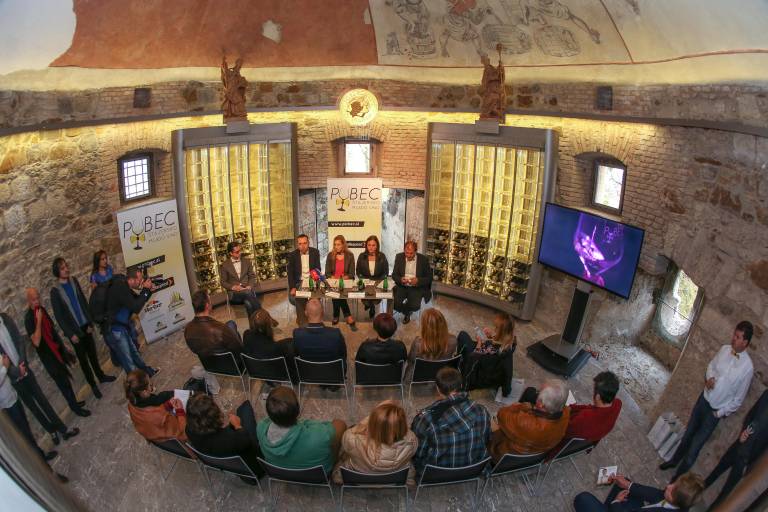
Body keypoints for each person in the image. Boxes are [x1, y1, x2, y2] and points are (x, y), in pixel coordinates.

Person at [660, 321, 754, 479]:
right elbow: (711, 365)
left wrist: (719, 413)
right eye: (734, 334)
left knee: (695, 446)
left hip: (714, 412)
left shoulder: (748, 368)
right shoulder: (724, 349)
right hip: (703, 400)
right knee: (688, 434)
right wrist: (709, 378)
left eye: (738, 337)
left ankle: (676, 480)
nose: (733, 338)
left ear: (745, 342)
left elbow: (738, 400)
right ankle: (673, 461)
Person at [0, 311, 80, 446]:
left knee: (42, 400)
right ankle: (52, 431)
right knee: (34, 408)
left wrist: (23, 364)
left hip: (25, 369)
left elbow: (19, 341)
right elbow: (3, 361)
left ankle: (63, 430)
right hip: (13, 378)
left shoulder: (6, 319)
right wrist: (17, 372)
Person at [50, 257, 116, 398]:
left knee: (93, 354)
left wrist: (90, 322)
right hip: (74, 332)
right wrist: (70, 334)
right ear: (57, 271)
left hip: (85, 325)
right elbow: (59, 317)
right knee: (84, 361)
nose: (66, 269)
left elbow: (83, 302)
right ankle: (93, 385)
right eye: (62, 268)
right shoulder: (55, 291)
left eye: (66, 266)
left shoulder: (74, 281)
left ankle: (101, 376)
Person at [1, 350, 68, 482]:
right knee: (26, 438)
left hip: (12, 398)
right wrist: (5, 368)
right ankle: (49, 475)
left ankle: (42, 458)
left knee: (28, 435)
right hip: (6, 405)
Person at [410, 367, 491, 475]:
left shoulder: (426, 418)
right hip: (474, 468)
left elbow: (418, 453)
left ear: (438, 389)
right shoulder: (482, 411)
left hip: (435, 473)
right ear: (461, 385)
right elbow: (486, 440)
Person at [24, 288, 91, 415]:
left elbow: (52, 331)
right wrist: (38, 321)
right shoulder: (28, 319)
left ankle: (74, 403)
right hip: (49, 358)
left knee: (66, 380)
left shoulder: (42, 310)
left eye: (38, 298)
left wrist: (64, 346)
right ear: (28, 301)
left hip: (57, 351)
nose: (37, 301)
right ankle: (76, 409)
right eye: (34, 299)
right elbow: (36, 342)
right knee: (63, 384)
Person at [256, 386, 347, 474]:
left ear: (269, 413)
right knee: (337, 427)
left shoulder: (260, 428)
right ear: (298, 410)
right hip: (319, 475)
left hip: (280, 473)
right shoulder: (319, 435)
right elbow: (341, 425)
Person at [703, 389, 768, 508]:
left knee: (726, 493)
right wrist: (743, 432)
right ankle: (689, 498)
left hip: (748, 459)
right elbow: (751, 415)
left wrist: (751, 465)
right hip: (738, 445)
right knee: (714, 474)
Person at [332, 400, 417, 484]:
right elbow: (407, 432)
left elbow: (351, 431)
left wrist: (372, 416)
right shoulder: (412, 441)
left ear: (371, 424)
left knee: (344, 455)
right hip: (396, 479)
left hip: (357, 478)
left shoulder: (352, 440)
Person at [186, 394, 263, 481]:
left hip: (227, 463)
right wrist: (237, 425)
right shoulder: (232, 438)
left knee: (242, 411)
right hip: (253, 472)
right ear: (215, 415)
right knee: (246, 407)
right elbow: (245, 440)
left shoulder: (189, 430)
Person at [490, 379, 570, 458]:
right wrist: (531, 407)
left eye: (538, 392)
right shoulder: (566, 413)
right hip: (535, 453)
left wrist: (520, 406)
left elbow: (502, 413)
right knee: (530, 391)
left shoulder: (523, 422)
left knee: (491, 419)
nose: (536, 394)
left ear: (541, 405)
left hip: (505, 453)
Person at [106, 267, 159, 377]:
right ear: (132, 279)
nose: (141, 282)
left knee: (134, 353)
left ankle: (147, 373)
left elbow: (137, 301)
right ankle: (137, 385)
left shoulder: (125, 286)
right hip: (116, 330)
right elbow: (136, 308)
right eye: (140, 279)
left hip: (122, 327)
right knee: (128, 361)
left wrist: (149, 291)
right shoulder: (120, 287)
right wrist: (145, 290)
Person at [573, 472, 704, 512]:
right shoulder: (681, 502)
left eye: (672, 490)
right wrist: (628, 485)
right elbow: (656, 494)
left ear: (676, 500)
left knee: (583, 498)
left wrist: (616, 503)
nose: (668, 486)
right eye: (674, 483)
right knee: (625, 485)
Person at [456, 311, 517, 396]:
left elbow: (474, 358)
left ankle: (457, 362)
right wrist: (492, 336)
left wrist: (479, 343)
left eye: (496, 328)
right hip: (488, 367)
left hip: (479, 375)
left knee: (463, 335)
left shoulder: (492, 351)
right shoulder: (509, 345)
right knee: (464, 337)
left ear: (501, 332)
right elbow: (508, 372)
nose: (494, 329)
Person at [125, 369, 186, 442]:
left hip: (152, 435)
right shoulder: (161, 416)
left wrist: (167, 405)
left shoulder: (131, 404)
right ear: (144, 392)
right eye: (150, 384)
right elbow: (181, 431)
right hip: (169, 438)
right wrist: (180, 410)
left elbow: (149, 412)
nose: (152, 385)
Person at [563, 371, 622, 445]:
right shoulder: (618, 404)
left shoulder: (585, 417)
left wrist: (563, 410)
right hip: (588, 440)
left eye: (594, 390)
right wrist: (571, 407)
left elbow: (563, 430)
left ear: (598, 397)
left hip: (564, 442)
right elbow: (590, 408)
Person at [293, 299, 347, 374]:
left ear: (306, 313)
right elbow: (343, 354)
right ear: (323, 312)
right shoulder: (335, 334)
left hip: (308, 374)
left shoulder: (297, 333)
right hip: (332, 374)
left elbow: (296, 354)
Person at [184, 290, 243, 360]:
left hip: (208, 363)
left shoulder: (188, 329)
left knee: (231, 323)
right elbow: (238, 349)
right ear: (207, 305)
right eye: (210, 300)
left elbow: (194, 349)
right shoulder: (220, 329)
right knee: (234, 329)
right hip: (230, 362)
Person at [243, 309, 297, 383]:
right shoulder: (278, 347)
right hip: (275, 375)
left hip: (254, 371)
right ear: (268, 326)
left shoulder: (246, 334)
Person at [219, 241, 264, 321]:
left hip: (247, 290)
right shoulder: (225, 265)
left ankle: (253, 324)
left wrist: (250, 285)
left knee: (248, 303)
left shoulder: (247, 261)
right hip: (234, 294)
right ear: (230, 253)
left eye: (240, 251)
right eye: (237, 252)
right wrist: (233, 287)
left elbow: (252, 276)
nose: (239, 253)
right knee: (248, 293)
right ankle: (263, 316)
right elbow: (223, 282)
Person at [391, 240, 432, 324]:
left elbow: (429, 278)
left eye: (411, 253)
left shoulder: (423, 259)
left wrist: (418, 280)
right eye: (406, 253)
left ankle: (408, 310)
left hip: (416, 287)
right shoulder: (399, 257)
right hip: (402, 286)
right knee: (394, 304)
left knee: (415, 306)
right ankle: (407, 312)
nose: (408, 255)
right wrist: (400, 279)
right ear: (404, 250)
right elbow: (394, 275)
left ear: (416, 251)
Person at [287, 234, 321, 327]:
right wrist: (293, 287)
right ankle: (303, 324)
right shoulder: (292, 255)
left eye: (305, 243)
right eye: (300, 244)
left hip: (312, 280)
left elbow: (318, 268)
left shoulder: (315, 252)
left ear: (308, 243)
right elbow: (290, 273)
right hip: (299, 282)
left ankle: (315, 322)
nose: (302, 246)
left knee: (315, 299)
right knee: (299, 298)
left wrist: (315, 280)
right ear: (297, 244)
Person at [325, 234, 356, 328]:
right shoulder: (330, 255)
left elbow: (351, 274)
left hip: (345, 281)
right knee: (337, 292)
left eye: (338, 244)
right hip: (333, 281)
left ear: (343, 245)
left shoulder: (350, 256)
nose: (336, 246)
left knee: (338, 293)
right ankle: (348, 316)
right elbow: (327, 273)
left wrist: (341, 279)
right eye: (335, 244)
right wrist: (335, 279)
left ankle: (336, 315)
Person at [355, 235, 389, 319]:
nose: (371, 247)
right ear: (366, 246)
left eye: (373, 245)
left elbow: (386, 272)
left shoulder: (382, 256)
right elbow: (358, 271)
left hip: (377, 282)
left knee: (375, 300)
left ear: (377, 246)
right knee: (366, 300)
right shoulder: (362, 256)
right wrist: (363, 279)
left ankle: (371, 306)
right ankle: (370, 305)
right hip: (365, 282)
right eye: (369, 245)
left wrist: (378, 282)